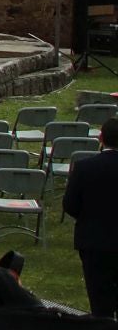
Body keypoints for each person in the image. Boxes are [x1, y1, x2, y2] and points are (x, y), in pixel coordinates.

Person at [62, 117, 118, 319]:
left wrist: (90, 217)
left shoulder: (85, 168)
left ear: (101, 138)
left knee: (100, 304)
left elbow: (70, 205)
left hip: (94, 242)